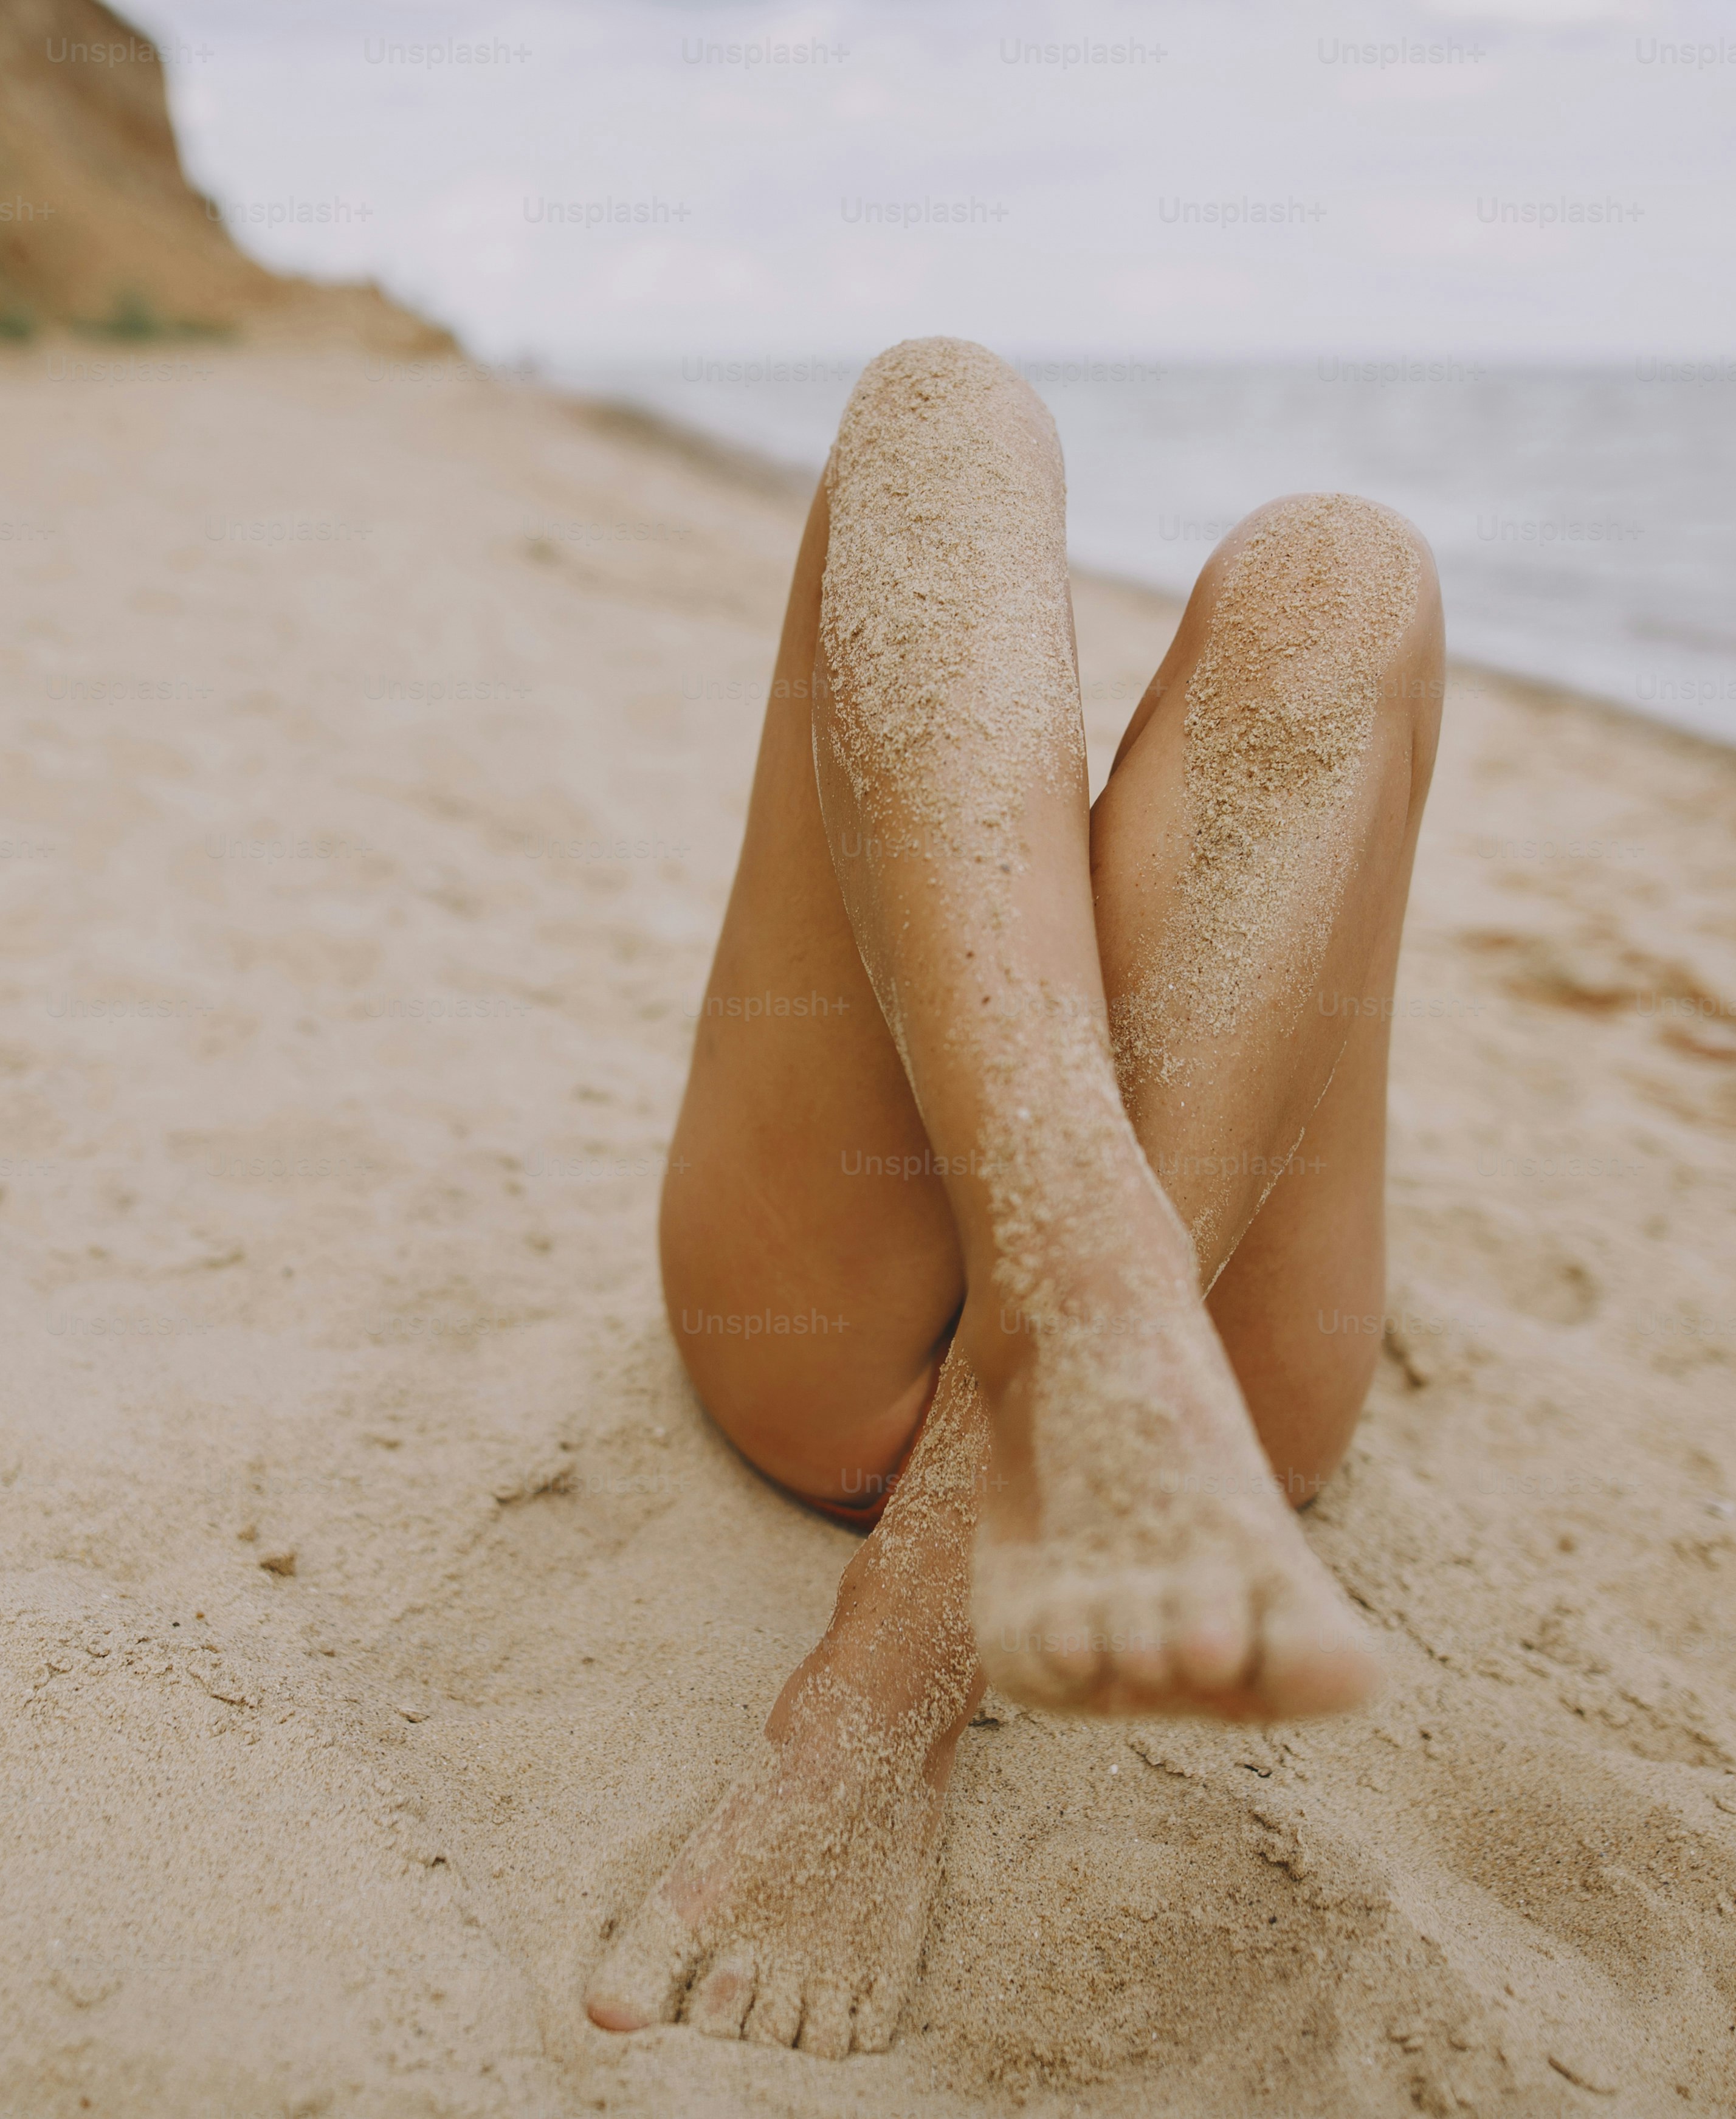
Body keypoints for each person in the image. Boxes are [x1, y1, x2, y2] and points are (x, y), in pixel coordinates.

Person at [584, 339, 1446, 2058]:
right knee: (946, 401)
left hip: (848, 1363)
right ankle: (1097, 1254)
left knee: (1342, 564)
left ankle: (891, 1679)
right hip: (1207, 1371)